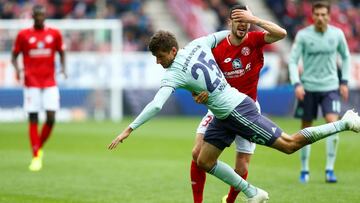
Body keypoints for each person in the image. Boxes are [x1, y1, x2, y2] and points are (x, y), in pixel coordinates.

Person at [108, 9, 360, 203]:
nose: (157, 61)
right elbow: (223, 38)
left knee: (289, 144)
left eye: (159, 56)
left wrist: (129, 129)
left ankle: (345, 122)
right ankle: (253, 192)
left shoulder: (173, 74)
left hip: (238, 109)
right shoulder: (198, 43)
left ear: (172, 51)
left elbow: (155, 105)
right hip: (221, 112)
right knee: (203, 160)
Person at [189, 5, 286, 203]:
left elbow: (281, 33)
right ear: (229, 22)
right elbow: (199, 78)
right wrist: (198, 93)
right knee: (197, 154)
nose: (243, 25)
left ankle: (230, 201)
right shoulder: (217, 49)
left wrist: (255, 19)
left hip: (248, 108)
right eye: (239, 20)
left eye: (246, 21)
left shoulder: (254, 40)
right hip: (221, 108)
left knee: (242, 166)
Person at [288, 1, 351, 183]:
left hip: (330, 87)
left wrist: (344, 81)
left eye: (324, 14)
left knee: (333, 125)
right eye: (317, 14)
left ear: (329, 16)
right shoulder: (303, 35)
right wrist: (297, 84)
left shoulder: (337, 34)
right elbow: (293, 60)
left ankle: (329, 169)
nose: (320, 18)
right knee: (307, 128)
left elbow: (346, 57)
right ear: (312, 15)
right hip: (307, 88)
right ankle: (304, 170)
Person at [11, 5, 66, 172]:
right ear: (33, 17)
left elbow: (62, 52)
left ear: (45, 16)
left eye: (42, 15)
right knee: (33, 117)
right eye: (37, 16)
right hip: (31, 82)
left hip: (50, 81)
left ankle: (37, 146)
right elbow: (14, 56)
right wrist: (18, 69)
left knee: (51, 117)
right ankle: (36, 156)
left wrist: (63, 68)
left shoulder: (54, 34)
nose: (40, 18)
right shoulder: (23, 35)